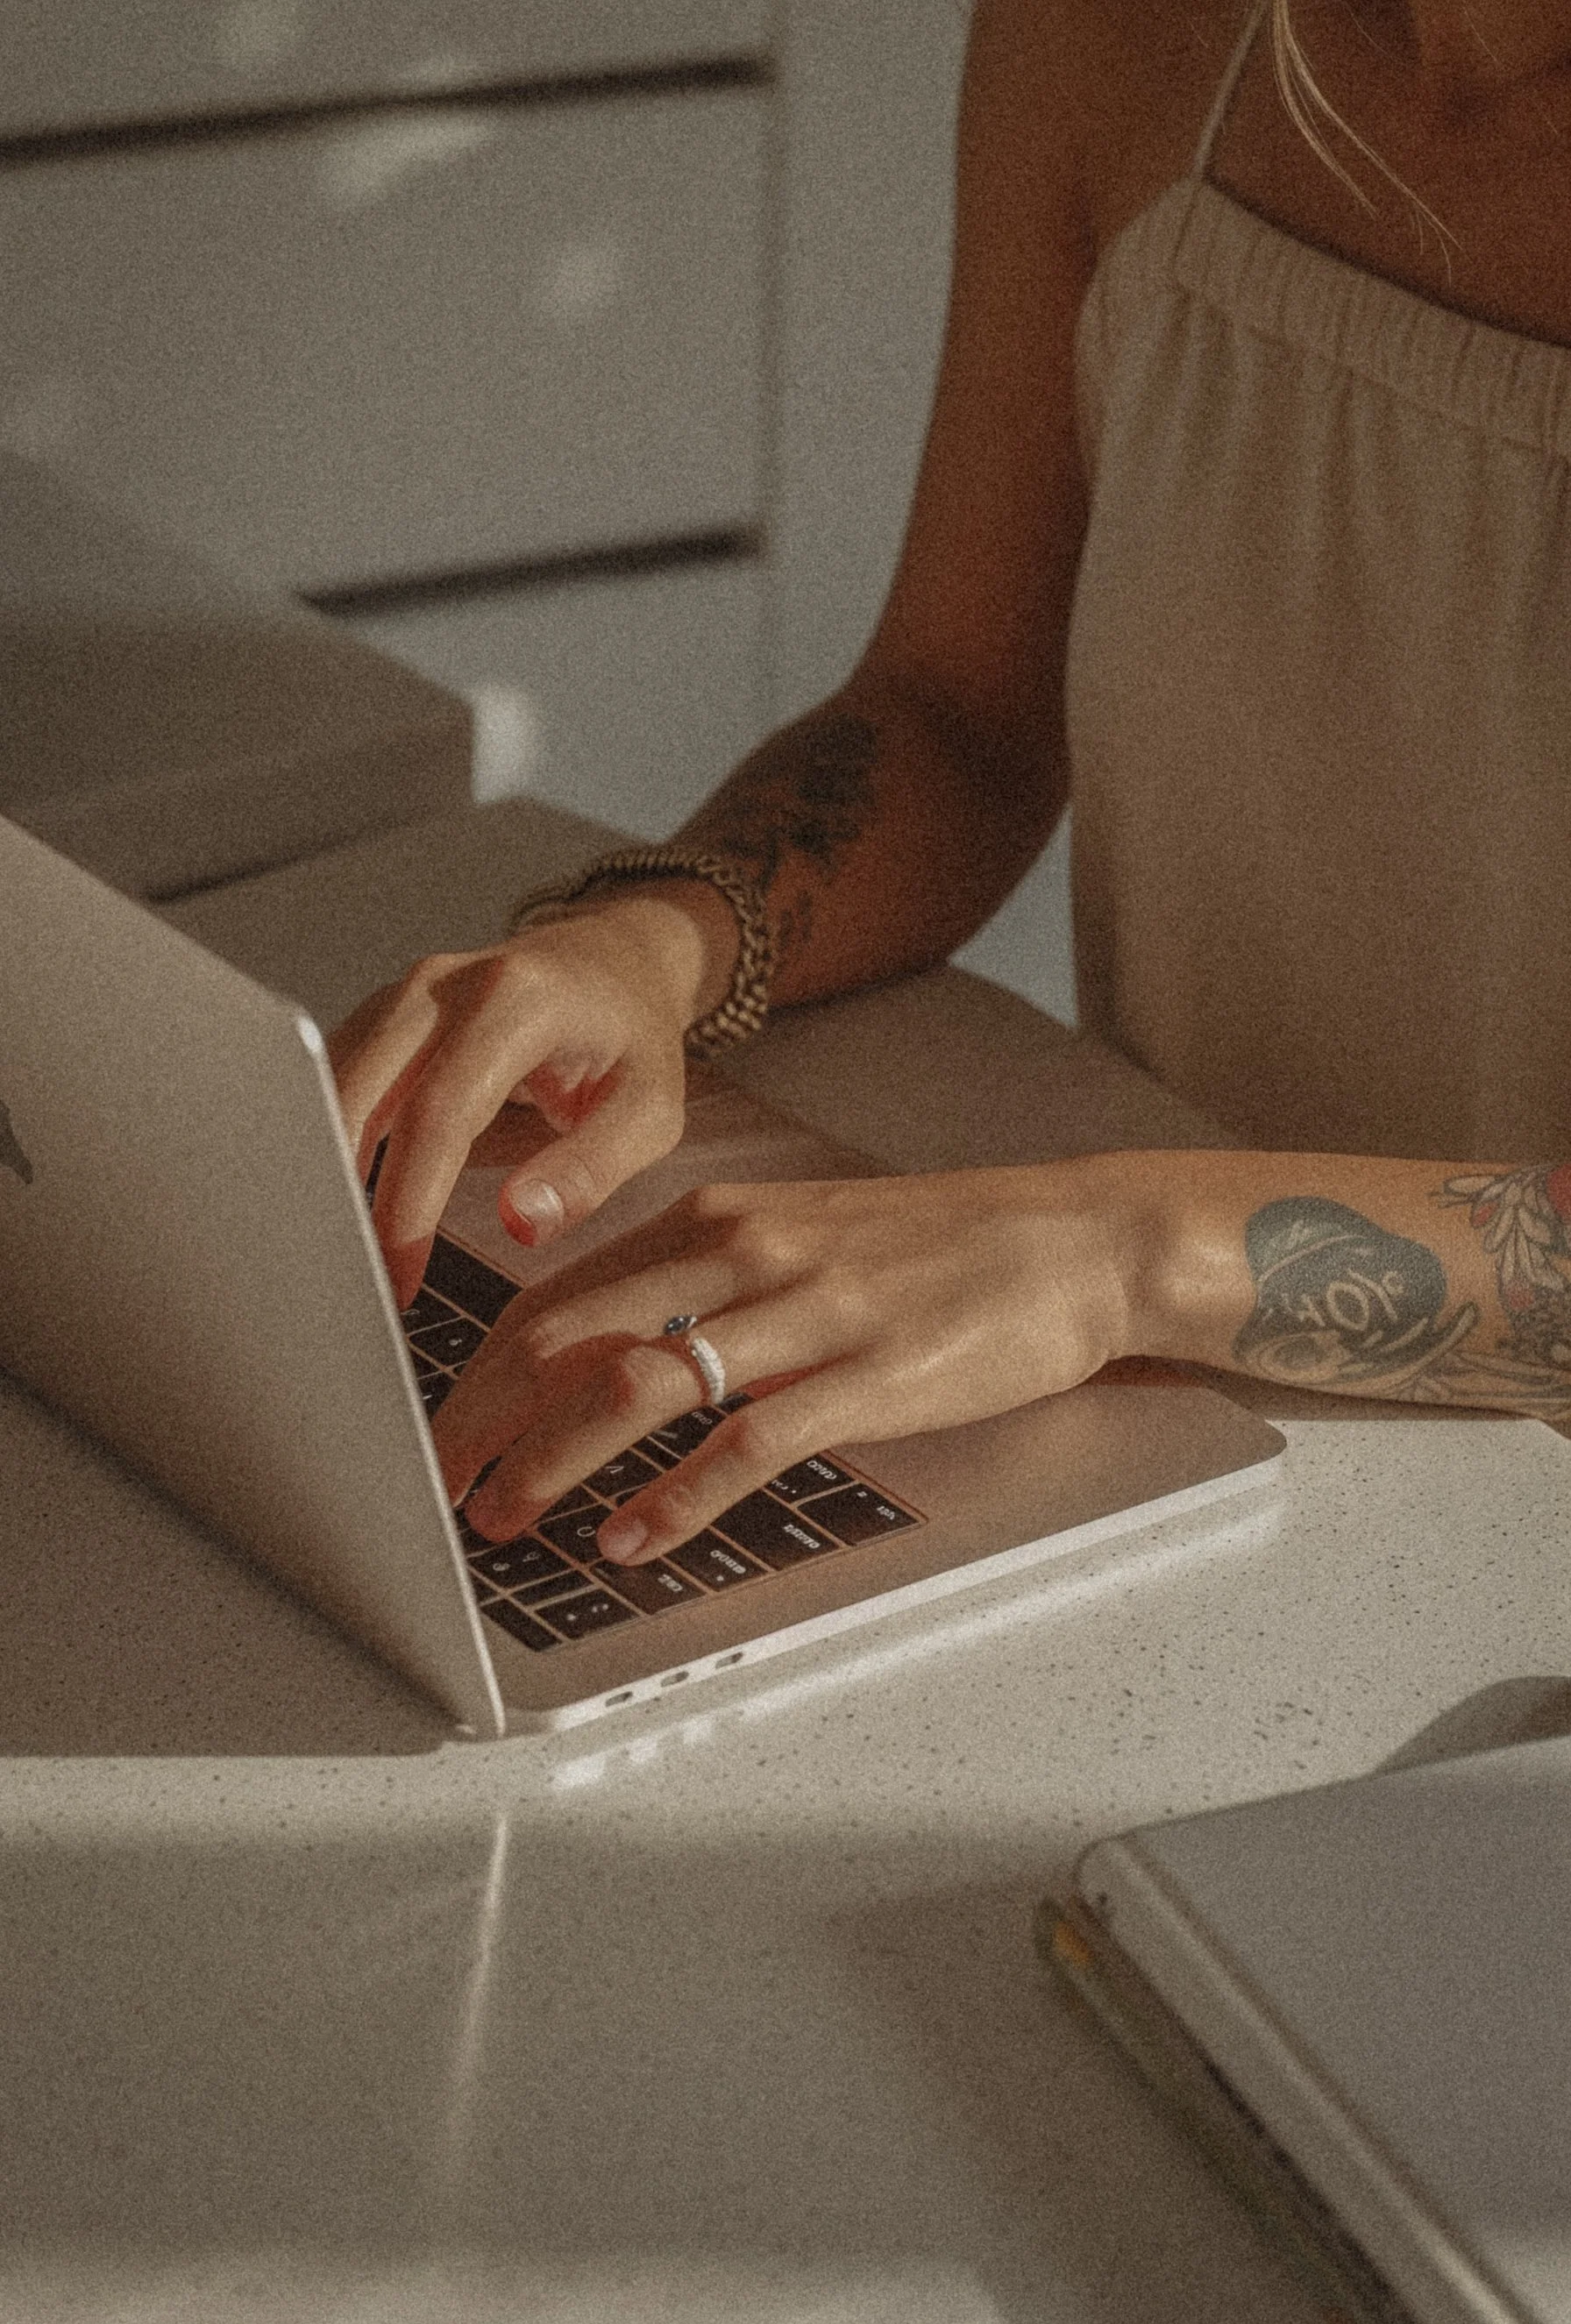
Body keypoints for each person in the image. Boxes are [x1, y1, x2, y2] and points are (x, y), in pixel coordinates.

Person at [330, 0, 1571, 1570]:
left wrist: (1111, 1245)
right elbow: (957, 713)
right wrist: (653, 945)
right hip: (1197, 1450)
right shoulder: (1121, 40)